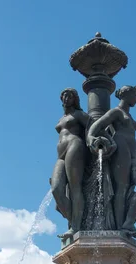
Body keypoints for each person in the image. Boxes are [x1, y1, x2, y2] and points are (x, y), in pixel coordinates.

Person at [87, 85, 136, 239]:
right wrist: (91, 138)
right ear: (125, 94)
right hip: (120, 152)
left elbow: (133, 143)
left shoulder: (128, 115)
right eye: (135, 95)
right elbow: (97, 126)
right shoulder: (116, 112)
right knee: (121, 190)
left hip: (133, 156)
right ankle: (119, 228)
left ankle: (128, 222)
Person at [51, 88, 90, 239]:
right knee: (56, 188)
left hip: (75, 145)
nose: (66, 98)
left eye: (70, 96)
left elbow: (93, 126)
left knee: (75, 188)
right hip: (61, 153)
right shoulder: (62, 118)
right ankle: (74, 219)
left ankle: (76, 226)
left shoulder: (79, 114)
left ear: (75, 99)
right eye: (64, 96)